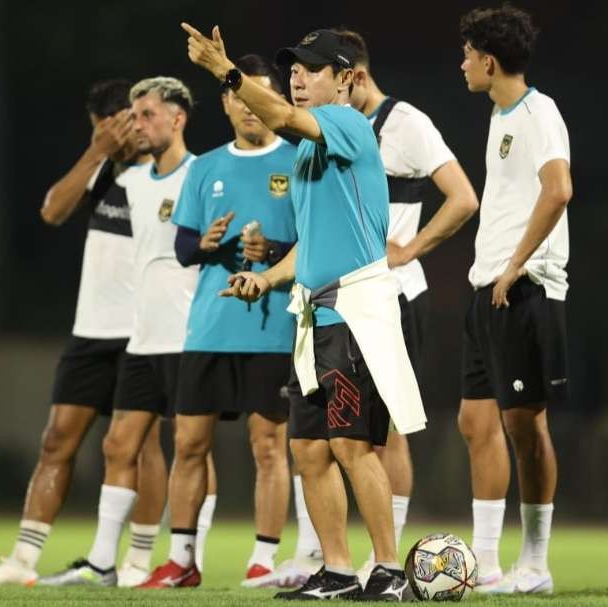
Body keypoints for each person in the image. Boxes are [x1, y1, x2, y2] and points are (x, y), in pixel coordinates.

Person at [180, 23, 425, 601]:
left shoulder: (344, 123)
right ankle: (338, 570)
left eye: (312, 68)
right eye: (293, 68)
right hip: (314, 317)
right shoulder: (307, 155)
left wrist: (224, 72)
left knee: (351, 445)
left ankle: (387, 570)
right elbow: (308, 247)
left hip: (353, 316)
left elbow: (283, 119)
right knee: (308, 449)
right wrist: (263, 278)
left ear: (346, 79)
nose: (297, 76)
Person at [0, 79, 175, 587]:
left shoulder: (167, 173)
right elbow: (53, 210)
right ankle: (22, 560)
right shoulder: (100, 171)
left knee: (140, 447)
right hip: (91, 330)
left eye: (131, 120)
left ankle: (138, 562)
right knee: (57, 439)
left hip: (143, 330)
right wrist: (95, 151)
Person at [36, 76, 212, 588]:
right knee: (119, 445)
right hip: (142, 337)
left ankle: (182, 556)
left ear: (176, 118)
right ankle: (103, 561)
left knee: (189, 444)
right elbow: (54, 209)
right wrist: (97, 153)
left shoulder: (203, 174)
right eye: (133, 117)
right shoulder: (129, 180)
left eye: (146, 116)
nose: (137, 126)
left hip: (186, 332)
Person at [140, 55, 298, 590]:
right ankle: (181, 560)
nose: (249, 105)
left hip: (273, 327)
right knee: (187, 445)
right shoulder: (204, 167)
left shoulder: (299, 161)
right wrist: (206, 245)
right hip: (208, 326)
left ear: (273, 102)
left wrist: (273, 249)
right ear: (229, 103)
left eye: (261, 94)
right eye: (239, 95)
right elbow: (184, 246)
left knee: (268, 445)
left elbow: (314, 246)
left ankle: (264, 561)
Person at [332, 27, 480, 586]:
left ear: (357, 76)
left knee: (388, 432)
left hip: (393, 299)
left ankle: (384, 560)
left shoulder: (407, 124)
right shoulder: (336, 128)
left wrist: (411, 248)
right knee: (336, 433)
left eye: (331, 78)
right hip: (342, 300)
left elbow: (464, 196)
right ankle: (334, 556)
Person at [456, 3, 573, 595]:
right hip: (489, 290)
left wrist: (515, 266)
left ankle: (536, 564)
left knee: (525, 427)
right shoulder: (501, 117)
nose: (462, 65)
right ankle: (485, 562)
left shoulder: (538, 113)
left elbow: (559, 191)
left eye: (468, 56)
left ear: (490, 60)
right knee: (476, 421)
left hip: (523, 289)